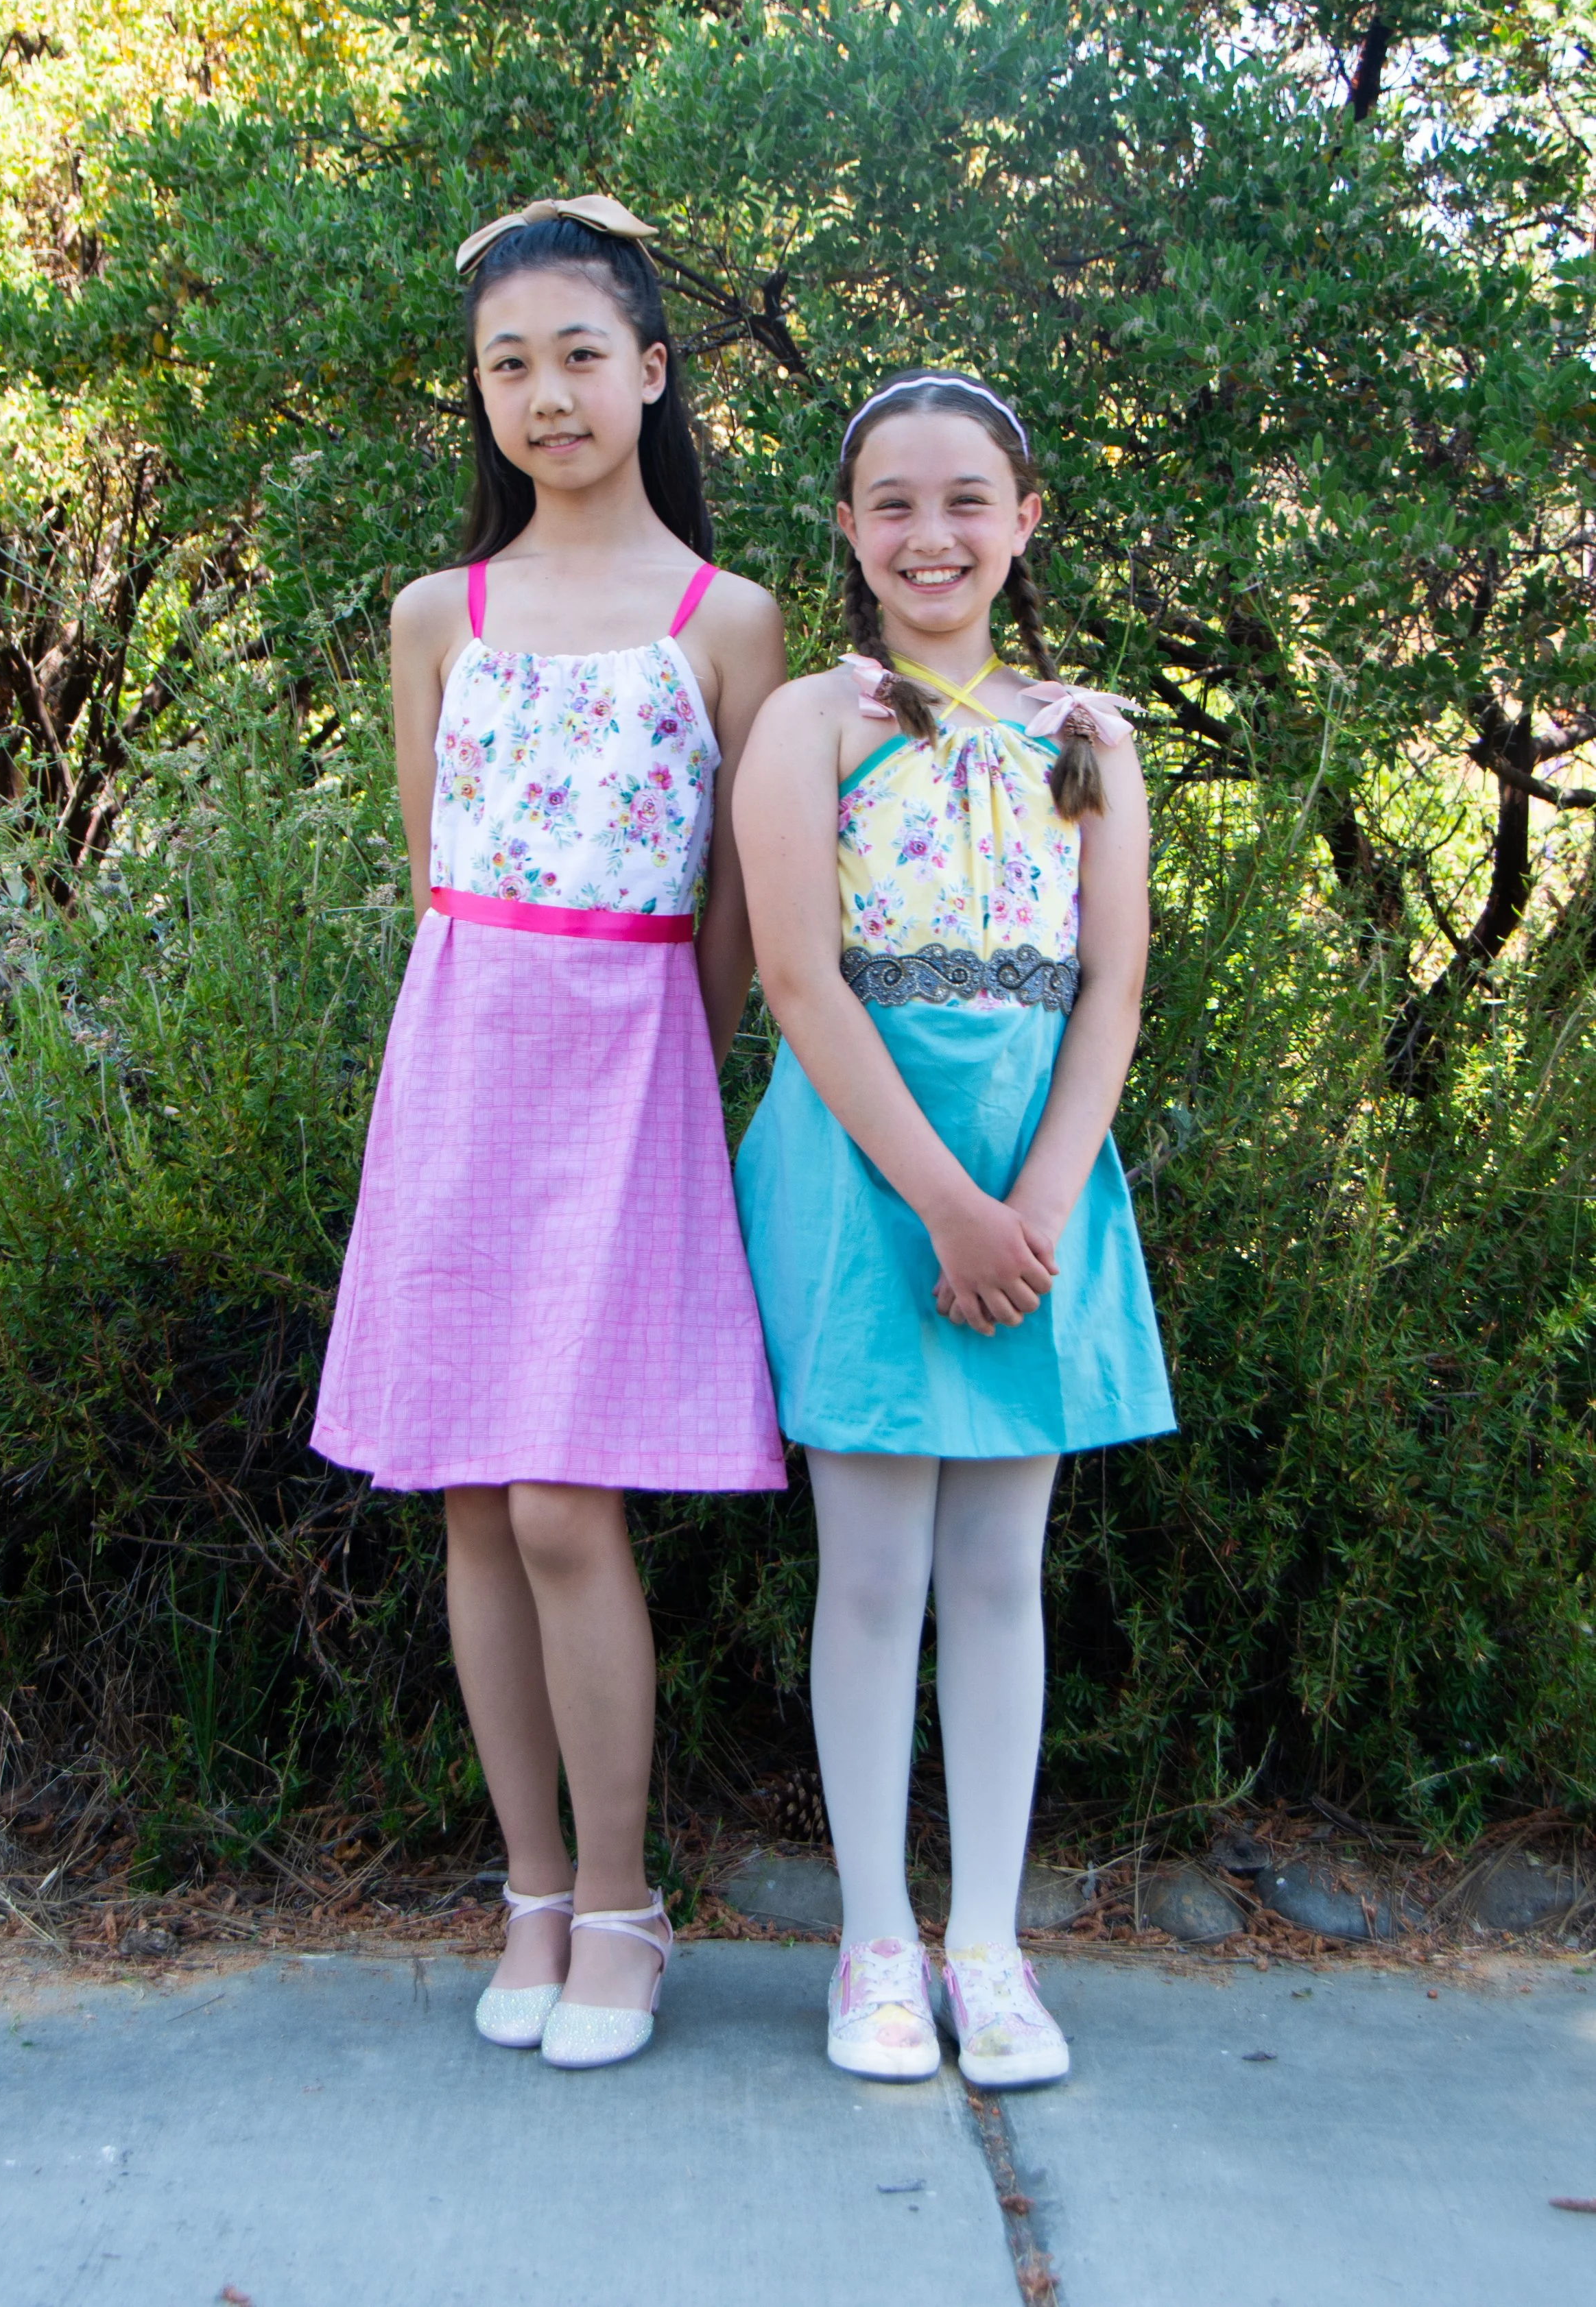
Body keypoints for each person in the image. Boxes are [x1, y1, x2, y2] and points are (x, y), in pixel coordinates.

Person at [312, 195, 786, 2070]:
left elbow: (744, 918)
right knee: (468, 1503)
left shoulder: (727, 619)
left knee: (567, 1500)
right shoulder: (441, 612)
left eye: (580, 353)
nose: (545, 391)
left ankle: (621, 1898)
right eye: (508, 362)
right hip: (462, 1061)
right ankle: (522, 1885)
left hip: (628, 1068)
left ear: (650, 371)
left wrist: (668, 1064)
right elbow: (438, 871)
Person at [733, 368, 1174, 2088]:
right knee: (873, 1572)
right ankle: (870, 1943)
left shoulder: (1090, 734)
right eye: (893, 504)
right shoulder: (811, 721)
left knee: (999, 1572)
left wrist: (1039, 1204)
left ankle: (985, 1946)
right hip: (870, 1175)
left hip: (1038, 1180)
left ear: (1022, 520)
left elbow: (1113, 987)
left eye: (964, 501)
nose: (931, 535)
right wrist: (944, 1206)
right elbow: (791, 977)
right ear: (848, 529)